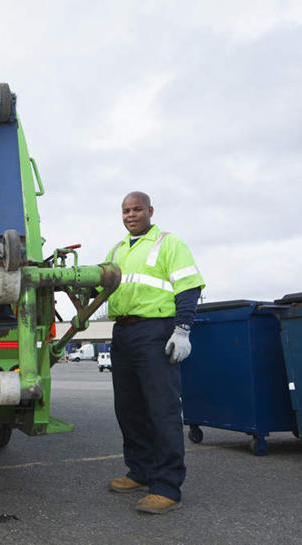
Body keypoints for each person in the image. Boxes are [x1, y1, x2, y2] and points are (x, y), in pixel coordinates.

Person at [101, 191, 204, 514]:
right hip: (123, 332)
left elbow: (188, 287)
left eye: (136, 209)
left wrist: (182, 330)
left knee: (162, 409)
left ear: (150, 211)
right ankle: (140, 471)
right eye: (125, 211)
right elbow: (100, 287)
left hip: (155, 331)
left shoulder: (168, 243)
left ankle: (167, 487)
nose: (130, 215)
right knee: (128, 408)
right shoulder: (117, 250)